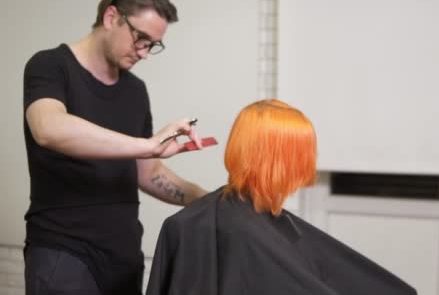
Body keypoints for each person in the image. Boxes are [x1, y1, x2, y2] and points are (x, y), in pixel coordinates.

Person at [22, 0, 208, 295]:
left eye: (153, 45)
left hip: (123, 258)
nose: (144, 53)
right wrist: (147, 145)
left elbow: (147, 173)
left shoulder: (135, 91)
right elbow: (48, 128)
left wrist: (210, 200)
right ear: (112, 17)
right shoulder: (50, 66)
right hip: (63, 254)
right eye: (141, 38)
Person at [146, 99, 417, 295]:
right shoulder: (238, 231)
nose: (307, 162)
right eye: (301, 154)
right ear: (281, 161)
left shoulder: (220, 220)